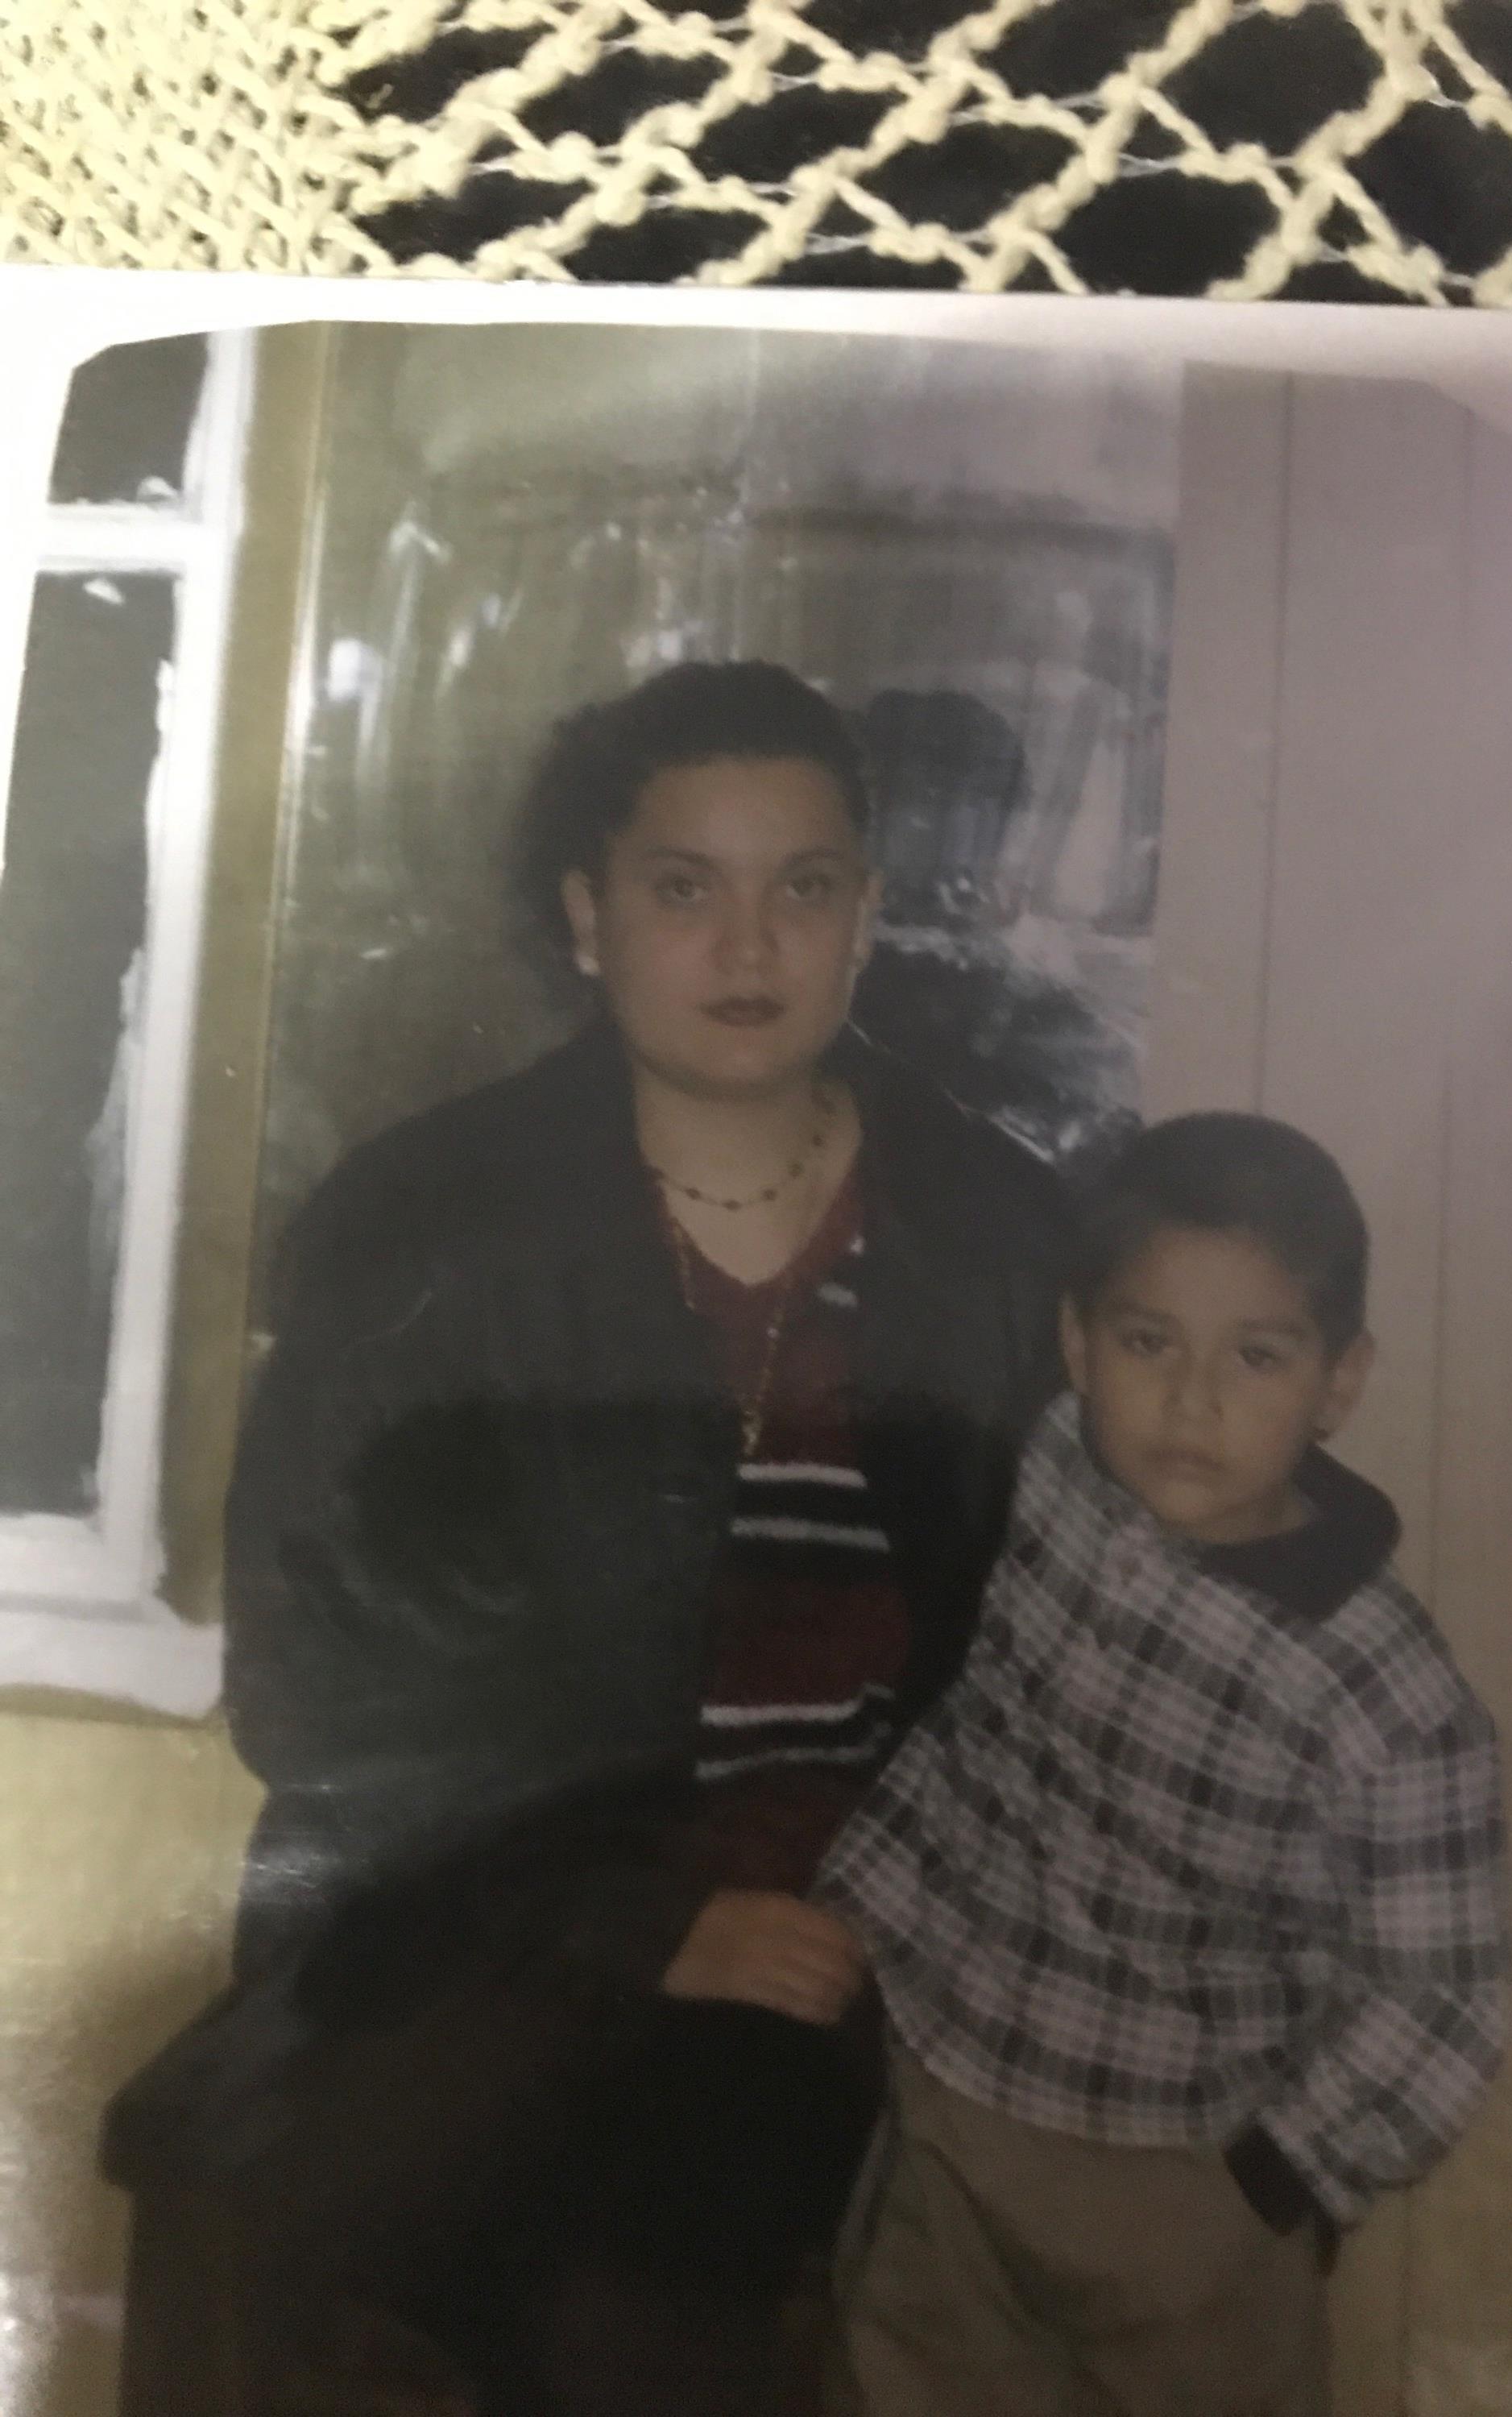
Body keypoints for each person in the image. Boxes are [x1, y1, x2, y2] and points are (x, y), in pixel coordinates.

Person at [103, 661, 1067, 2417]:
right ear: (588, 915)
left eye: (804, 886)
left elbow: (1061, 1658)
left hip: (888, 1966)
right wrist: (640, 1927)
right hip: (488, 1944)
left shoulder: (1002, 1232)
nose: (749, 945)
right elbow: (322, 1688)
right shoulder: (422, 1227)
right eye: (683, 887)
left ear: (867, 915)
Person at [817, 1113, 1512, 2417]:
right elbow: (976, 1722)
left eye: (1256, 1357)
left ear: (1338, 1383)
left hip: (1184, 2177)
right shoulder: (1051, 1477)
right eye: (1147, 1343)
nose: (1191, 1403)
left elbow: (1437, 1999)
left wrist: (1278, 2178)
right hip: (954, 2097)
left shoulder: (1386, 1692)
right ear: (1078, 1345)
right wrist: (865, 1909)